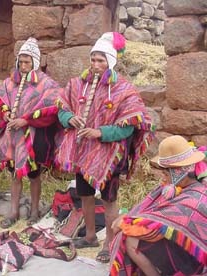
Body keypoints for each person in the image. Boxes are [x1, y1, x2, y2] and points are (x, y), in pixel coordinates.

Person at [55, 32, 153, 263]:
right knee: (85, 194)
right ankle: (90, 236)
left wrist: (100, 132)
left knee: (109, 200)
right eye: (93, 59)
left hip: (110, 156)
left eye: (101, 60)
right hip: (83, 153)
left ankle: (110, 245)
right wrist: (69, 118)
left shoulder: (124, 90)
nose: (96, 64)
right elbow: (61, 108)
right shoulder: (77, 85)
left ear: (111, 61)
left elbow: (130, 126)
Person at [110, 135, 207, 275]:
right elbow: (151, 214)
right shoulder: (178, 189)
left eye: (166, 173)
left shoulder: (193, 200)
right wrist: (128, 219)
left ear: (178, 172)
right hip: (182, 248)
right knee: (130, 234)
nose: (163, 177)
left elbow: (157, 222)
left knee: (131, 240)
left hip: (194, 260)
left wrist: (126, 223)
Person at [0, 37, 61, 228]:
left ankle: (34, 211)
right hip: (13, 136)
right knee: (15, 174)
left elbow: (51, 108)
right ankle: (14, 211)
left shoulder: (46, 84)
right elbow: (1, 101)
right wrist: (6, 114)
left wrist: (26, 120)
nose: (23, 65)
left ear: (35, 63)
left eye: (27, 62)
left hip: (33, 137)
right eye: (21, 61)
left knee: (34, 174)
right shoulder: (9, 83)